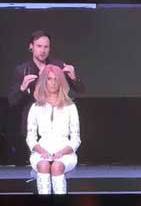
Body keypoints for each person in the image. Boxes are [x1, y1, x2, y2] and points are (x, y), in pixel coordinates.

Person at [8, 30, 84, 164]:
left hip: (57, 124)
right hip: (34, 125)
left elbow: (81, 90)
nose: (42, 50)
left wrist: (73, 77)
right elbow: (12, 101)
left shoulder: (57, 66)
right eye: (39, 46)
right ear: (31, 46)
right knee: (39, 164)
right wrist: (22, 88)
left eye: (46, 47)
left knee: (58, 163)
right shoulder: (22, 70)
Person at [26, 64, 81, 195]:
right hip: (41, 152)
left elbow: (76, 139)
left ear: (61, 81)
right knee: (43, 165)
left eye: (56, 79)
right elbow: (30, 137)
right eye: (50, 79)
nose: (53, 82)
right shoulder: (36, 107)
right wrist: (42, 151)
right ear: (44, 81)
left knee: (57, 166)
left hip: (65, 153)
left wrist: (62, 152)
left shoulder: (70, 106)